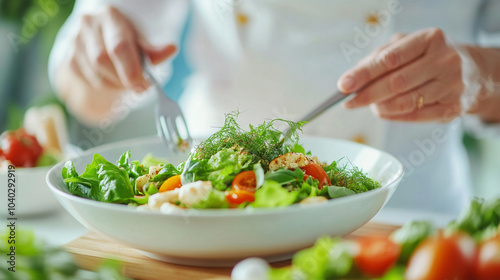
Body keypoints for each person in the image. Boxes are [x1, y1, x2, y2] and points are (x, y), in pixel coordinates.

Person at [48, 0, 500, 216]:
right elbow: (88, 99)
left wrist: (479, 74)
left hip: (411, 220)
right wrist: (98, 64)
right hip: (200, 218)